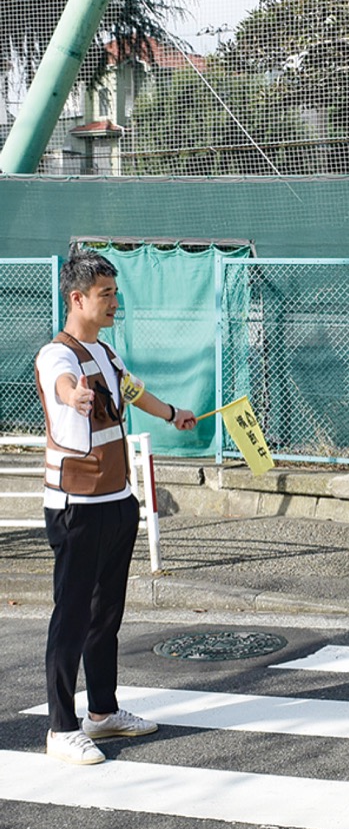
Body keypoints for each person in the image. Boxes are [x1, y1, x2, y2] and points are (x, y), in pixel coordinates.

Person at [36, 250, 198, 765]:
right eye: (105, 294)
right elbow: (64, 388)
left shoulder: (107, 353)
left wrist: (173, 413)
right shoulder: (56, 355)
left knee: (107, 614)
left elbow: (134, 391)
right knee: (73, 615)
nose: (114, 302)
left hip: (117, 500)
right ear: (77, 298)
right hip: (75, 506)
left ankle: (102, 714)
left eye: (114, 292)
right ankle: (61, 729)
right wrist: (74, 399)